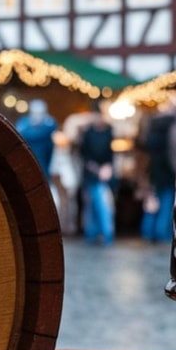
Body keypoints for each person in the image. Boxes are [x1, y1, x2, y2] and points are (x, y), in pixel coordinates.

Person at [138, 97, 176, 243]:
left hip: (154, 169)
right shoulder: (174, 125)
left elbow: (145, 146)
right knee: (166, 203)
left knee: (152, 202)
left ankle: (147, 232)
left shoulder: (153, 126)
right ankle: (162, 234)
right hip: (168, 169)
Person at [77, 102, 116, 246]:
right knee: (94, 203)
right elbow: (84, 155)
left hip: (103, 172)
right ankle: (97, 233)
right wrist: (97, 169)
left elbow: (110, 154)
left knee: (101, 203)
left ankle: (104, 233)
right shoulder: (87, 133)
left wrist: (107, 167)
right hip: (91, 172)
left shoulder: (108, 131)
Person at [16, 99, 58, 180]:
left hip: (45, 163)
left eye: (40, 114)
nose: (38, 116)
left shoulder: (49, 123)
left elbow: (51, 129)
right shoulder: (24, 124)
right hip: (27, 162)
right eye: (36, 113)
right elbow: (20, 134)